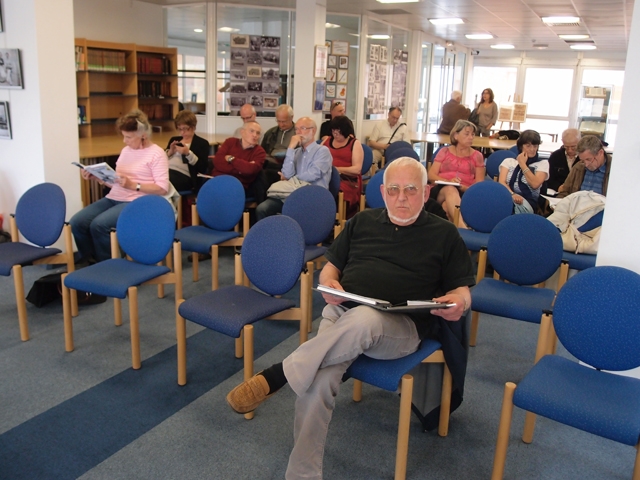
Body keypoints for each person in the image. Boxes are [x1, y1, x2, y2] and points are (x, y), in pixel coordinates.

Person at [226, 157, 475, 479]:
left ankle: (278, 375)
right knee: (318, 382)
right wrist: (331, 283)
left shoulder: (444, 233)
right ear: (382, 192)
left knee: (366, 320)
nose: (401, 198)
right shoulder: (362, 221)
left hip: (399, 327)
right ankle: (302, 475)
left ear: (426, 192)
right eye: (394, 189)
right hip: (342, 312)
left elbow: (462, 291)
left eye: (411, 190)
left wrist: (459, 302)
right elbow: (331, 268)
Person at [70, 110, 169, 263]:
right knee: (77, 222)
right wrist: (98, 177)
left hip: (137, 201)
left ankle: (109, 266)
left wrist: (133, 185)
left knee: (99, 225)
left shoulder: (157, 153)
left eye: (128, 137)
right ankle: (91, 262)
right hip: (114, 197)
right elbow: (116, 181)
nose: (124, 141)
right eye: (123, 136)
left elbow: (162, 188)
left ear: (143, 135)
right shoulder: (125, 151)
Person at [255, 117, 332, 221]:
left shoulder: (322, 151)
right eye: (296, 129)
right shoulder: (296, 152)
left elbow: (313, 174)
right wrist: (290, 148)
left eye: (303, 128)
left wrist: (290, 179)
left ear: (313, 131)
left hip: (313, 195)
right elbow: (287, 174)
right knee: (262, 209)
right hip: (291, 194)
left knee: (293, 210)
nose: (298, 132)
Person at [428, 120, 485, 221]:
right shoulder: (444, 151)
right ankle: (463, 228)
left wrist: (464, 188)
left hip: (465, 192)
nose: (471, 137)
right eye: (467, 134)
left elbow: (479, 185)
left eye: (472, 134)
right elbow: (431, 175)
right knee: (450, 189)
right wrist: (448, 181)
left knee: (446, 207)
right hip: (440, 190)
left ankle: (453, 229)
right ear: (456, 135)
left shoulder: (477, 156)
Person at [212, 121, 267, 203]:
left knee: (223, 197)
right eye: (251, 131)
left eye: (258, 133)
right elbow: (217, 161)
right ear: (242, 132)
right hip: (218, 181)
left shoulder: (260, 152)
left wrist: (231, 159)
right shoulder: (230, 142)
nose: (255, 135)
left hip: (238, 186)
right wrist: (242, 169)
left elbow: (250, 170)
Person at [321, 116, 364, 218]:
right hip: (327, 175)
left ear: (345, 131)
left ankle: (337, 218)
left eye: (338, 132)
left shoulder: (355, 143)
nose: (335, 134)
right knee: (317, 187)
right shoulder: (327, 141)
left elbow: (357, 169)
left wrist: (336, 169)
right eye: (333, 131)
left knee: (335, 188)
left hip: (347, 179)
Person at [498, 130, 549, 214]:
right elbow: (501, 182)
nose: (532, 149)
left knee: (508, 208)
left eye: (535, 146)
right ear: (521, 146)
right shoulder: (508, 161)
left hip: (528, 201)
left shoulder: (542, 164)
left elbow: (535, 184)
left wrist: (522, 164)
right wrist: (512, 194)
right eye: (528, 146)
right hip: (508, 195)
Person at [164, 110, 210, 192]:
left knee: (163, 181)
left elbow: (202, 168)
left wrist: (188, 154)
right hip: (167, 170)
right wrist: (169, 152)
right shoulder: (174, 139)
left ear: (193, 127)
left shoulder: (201, 143)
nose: (182, 132)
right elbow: (161, 160)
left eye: (185, 129)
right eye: (179, 129)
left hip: (184, 176)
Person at [261, 104, 296, 185]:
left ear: (291, 117)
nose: (281, 124)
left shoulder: (298, 133)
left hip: (289, 165)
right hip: (271, 163)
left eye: (284, 121)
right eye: (278, 121)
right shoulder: (270, 133)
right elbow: (262, 151)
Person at [546, 128, 581, 192]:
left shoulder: (584, 157)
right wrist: (558, 187)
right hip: (559, 191)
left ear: (580, 141)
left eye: (573, 147)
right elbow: (549, 178)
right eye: (566, 147)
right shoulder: (555, 156)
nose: (570, 150)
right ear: (562, 142)